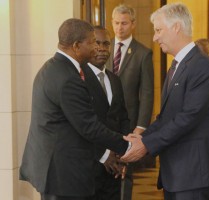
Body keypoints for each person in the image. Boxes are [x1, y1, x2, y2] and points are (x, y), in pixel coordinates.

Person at [121, 3, 209, 200]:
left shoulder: (201, 65)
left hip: (194, 173)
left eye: (159, 30)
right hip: (178, 173)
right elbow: (167, 117)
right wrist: (142, 138)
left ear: (176, 27)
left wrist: (147, 145)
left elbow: (188, 117)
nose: (155, 37)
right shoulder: (177, 65)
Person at [19, 18, 132, 200]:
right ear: (76, 46)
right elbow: (88, 126)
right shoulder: (68, 79)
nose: (96, 47)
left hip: (57, 172)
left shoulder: (51, 68)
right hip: (64, 176)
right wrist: (129, 145)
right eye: (92, 42)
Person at [106, 4, 154, 200]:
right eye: (116, 23)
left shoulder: (143, 53)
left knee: (125, 173)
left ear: (133, 24)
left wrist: (140, 128)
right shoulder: (103, 47)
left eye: (124, 23)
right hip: (105, 122)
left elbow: (147, 93)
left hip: (129, 124)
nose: (119, 27)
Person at [80, 26, 130, 200]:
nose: (102, 48)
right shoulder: (79, 79)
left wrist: (122, 152)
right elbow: (82, 124)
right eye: (97, 43)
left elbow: (122, 117)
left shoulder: (115, 80)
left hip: (114, 167)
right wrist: (104, 154)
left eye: (106, 44)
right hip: (89, 165)